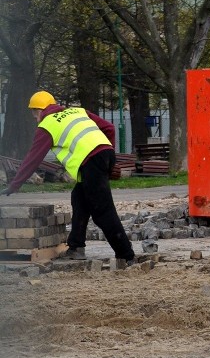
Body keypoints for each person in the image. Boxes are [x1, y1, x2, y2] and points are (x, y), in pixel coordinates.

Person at [1, 91, 135, 263]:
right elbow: (109, 128)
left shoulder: (47, 125)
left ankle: (126, 255)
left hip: (91, 162)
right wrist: (108, 158)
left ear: (40, 110)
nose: (35, 118)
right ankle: (76, 246)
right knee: (79, 198)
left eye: (34, 113)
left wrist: (14, 185)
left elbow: (32, 159)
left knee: (103, 211)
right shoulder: (77, 111)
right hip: (104, 153)